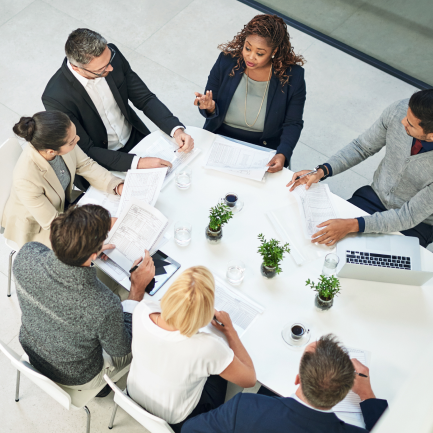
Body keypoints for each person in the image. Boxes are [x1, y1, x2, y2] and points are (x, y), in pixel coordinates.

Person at [13, 204, 155, 393]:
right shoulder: (104, 304)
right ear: (94, 254)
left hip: (33, 350)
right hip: (78, 376)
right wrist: (136, 290)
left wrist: (83, 252)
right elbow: (122, 349)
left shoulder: (26, 255)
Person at [42, 28, 193, 190]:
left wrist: (175, 129)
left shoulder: (112, 56)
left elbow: (145, 98)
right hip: (101, 161)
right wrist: (138, 162)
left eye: (109, 61)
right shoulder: (56, 97)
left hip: (135, 137)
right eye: (102, 69)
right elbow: (86, 149)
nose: (111, 69)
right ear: (78, 68)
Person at [287, 89, 433, 248]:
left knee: (374, 267)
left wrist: (351, 225)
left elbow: (408, 216)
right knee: (322, 241)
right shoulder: (399, 110)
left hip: (417, 224)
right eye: (406, 116)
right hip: (374, 197)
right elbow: (362, 147)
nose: (403, 121)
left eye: (410, 124)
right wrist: (323, 170)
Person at [127, 266, 256, 432]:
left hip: (133, 394)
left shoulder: (142, 309)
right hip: (176, 418)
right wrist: (231, 332)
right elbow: (250, 379)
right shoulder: (209, 347)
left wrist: (182, 302)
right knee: (222, 368)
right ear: (206, 312)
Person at [182, 334, 388, 433]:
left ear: (298, 378)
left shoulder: (245, 407)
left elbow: (190, 430)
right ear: (343, 394)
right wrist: (367, 396)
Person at [194, 14, 306, 173]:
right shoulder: (226, 61)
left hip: (263, 147)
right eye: (247, 48)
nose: (250, 57)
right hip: (220, 138)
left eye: (260, 53)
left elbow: (293, 123)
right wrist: (209, 107)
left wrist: (283, 154)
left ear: (274, 51)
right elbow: (209, 106)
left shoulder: (293, 77)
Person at [2, 111, 125, 249]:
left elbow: (86, 165)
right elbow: (54, 223)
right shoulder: (25, 179)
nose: (77, 139)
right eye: (72, 141)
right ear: (51, 151)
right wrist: (101, 224)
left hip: (62, 204)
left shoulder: (60, 138)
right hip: (40, 227)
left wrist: (117, 186)